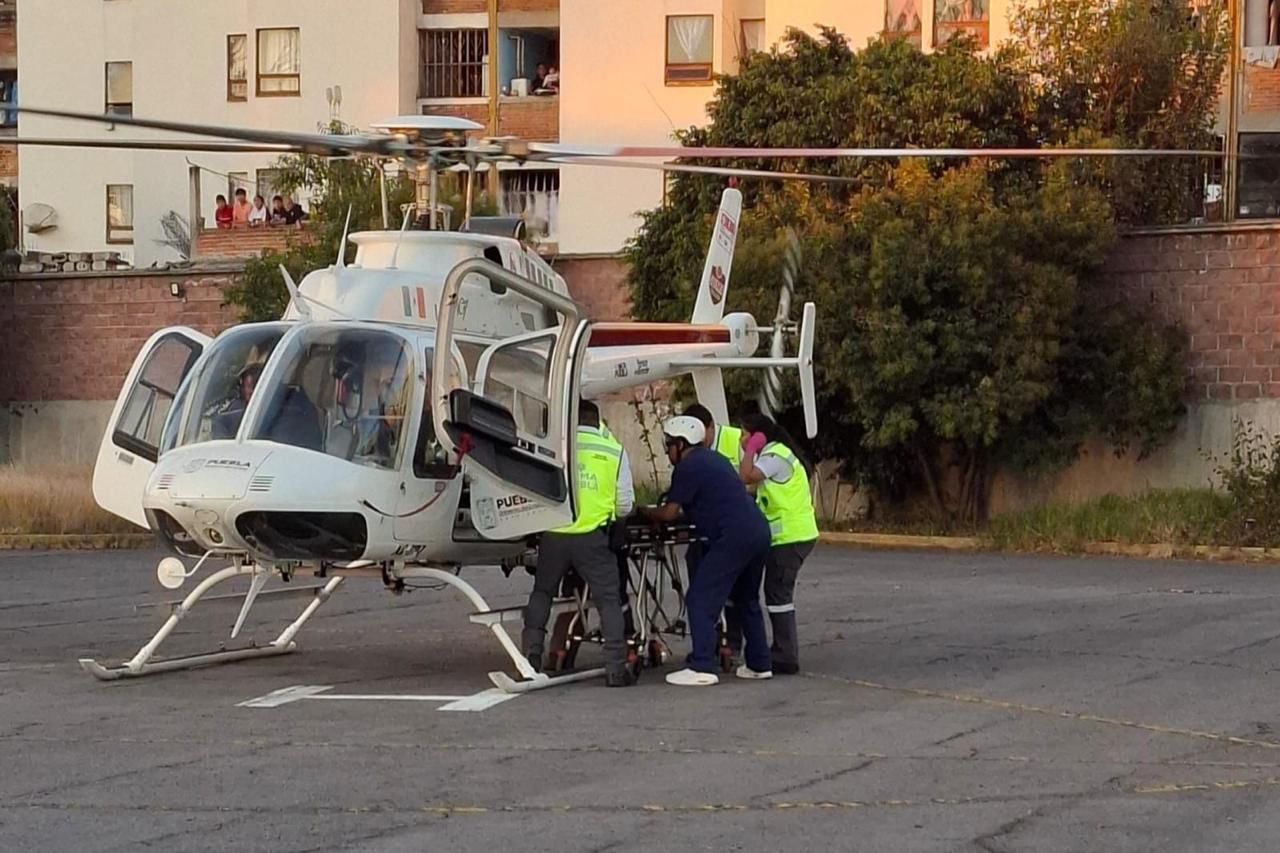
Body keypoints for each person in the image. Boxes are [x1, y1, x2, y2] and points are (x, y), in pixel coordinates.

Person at [641, 416, 771, 686]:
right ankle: (759, 663)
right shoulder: (716, 459)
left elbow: (669, 513)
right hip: (758, 529)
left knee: (700, 598)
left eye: (668, 445)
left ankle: (701, 665)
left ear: (681, 443)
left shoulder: (688, 466)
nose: (667, 451)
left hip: (732, 535)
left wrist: (642, 511)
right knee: (746, 598)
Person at [523, 400, 637, 687]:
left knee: (542, 594)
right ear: (598, 421)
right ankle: (615, 669)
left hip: (554, 533)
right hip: (593, 538)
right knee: (608, 601)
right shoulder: (614, 451)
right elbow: (625, 505)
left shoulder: (554, 448)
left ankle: (531, 658)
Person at [733, 413, 820, 675]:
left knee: (778, 594)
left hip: (791, 537)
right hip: (791, 536)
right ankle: (782, 650)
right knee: (776, 593)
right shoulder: (774, 456)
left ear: (759, 437)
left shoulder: (774, 456)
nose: (740, 438)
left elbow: (746, 477)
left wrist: (750, 450)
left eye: (745, 434)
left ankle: (785, 655)